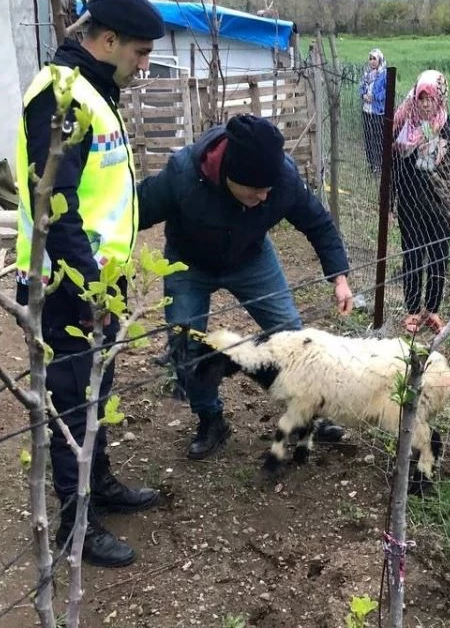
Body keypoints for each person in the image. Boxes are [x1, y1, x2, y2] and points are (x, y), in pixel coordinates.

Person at [14, 0, 165, 568]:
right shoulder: (62, 97)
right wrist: (86, 287)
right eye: (141, 51)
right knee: (71, 399)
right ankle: (76, 528)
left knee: (96, 389)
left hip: (98, 278)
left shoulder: (93, 89)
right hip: (66, 284)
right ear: (106, 42)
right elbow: (52, 202)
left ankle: (97, 483)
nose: (145, 63)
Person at [136, 114, 354, 459]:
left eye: (269, 190)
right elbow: (135, 210)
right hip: (188, 262)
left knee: (293, 337)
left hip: (251, 259)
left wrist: (339, 277)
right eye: (256, 191)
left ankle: (311, 414)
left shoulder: (281, 179)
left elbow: (318, 223)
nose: (265, 198)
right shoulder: (184, 174)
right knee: (185, 343)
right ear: (230, 175)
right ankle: (211, 420)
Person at [391, 69, 450, 335]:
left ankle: (432, 310)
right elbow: (393, 168)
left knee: (438, 257)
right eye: (421, 98)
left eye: (430, 99)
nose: (424, 104)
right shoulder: (403, 126)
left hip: (439, 205)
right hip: (410, 202)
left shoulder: (449, 127)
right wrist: (392, 201)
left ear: (439, 100)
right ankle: (412, 310)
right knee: (412, 254)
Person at [359, 48, 387, 175]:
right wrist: (363, 95)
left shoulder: (384, 74)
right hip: (366, 109)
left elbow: (387, 91)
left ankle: (378, 165)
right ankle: (370, 162)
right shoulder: (367, 73)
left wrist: (375, 97)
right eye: (370, 58)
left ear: (380, 60)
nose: (372, 61)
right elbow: (361, 87)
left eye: (374, 59)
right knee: (368, 136)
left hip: (377, 110)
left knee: (377, 137)